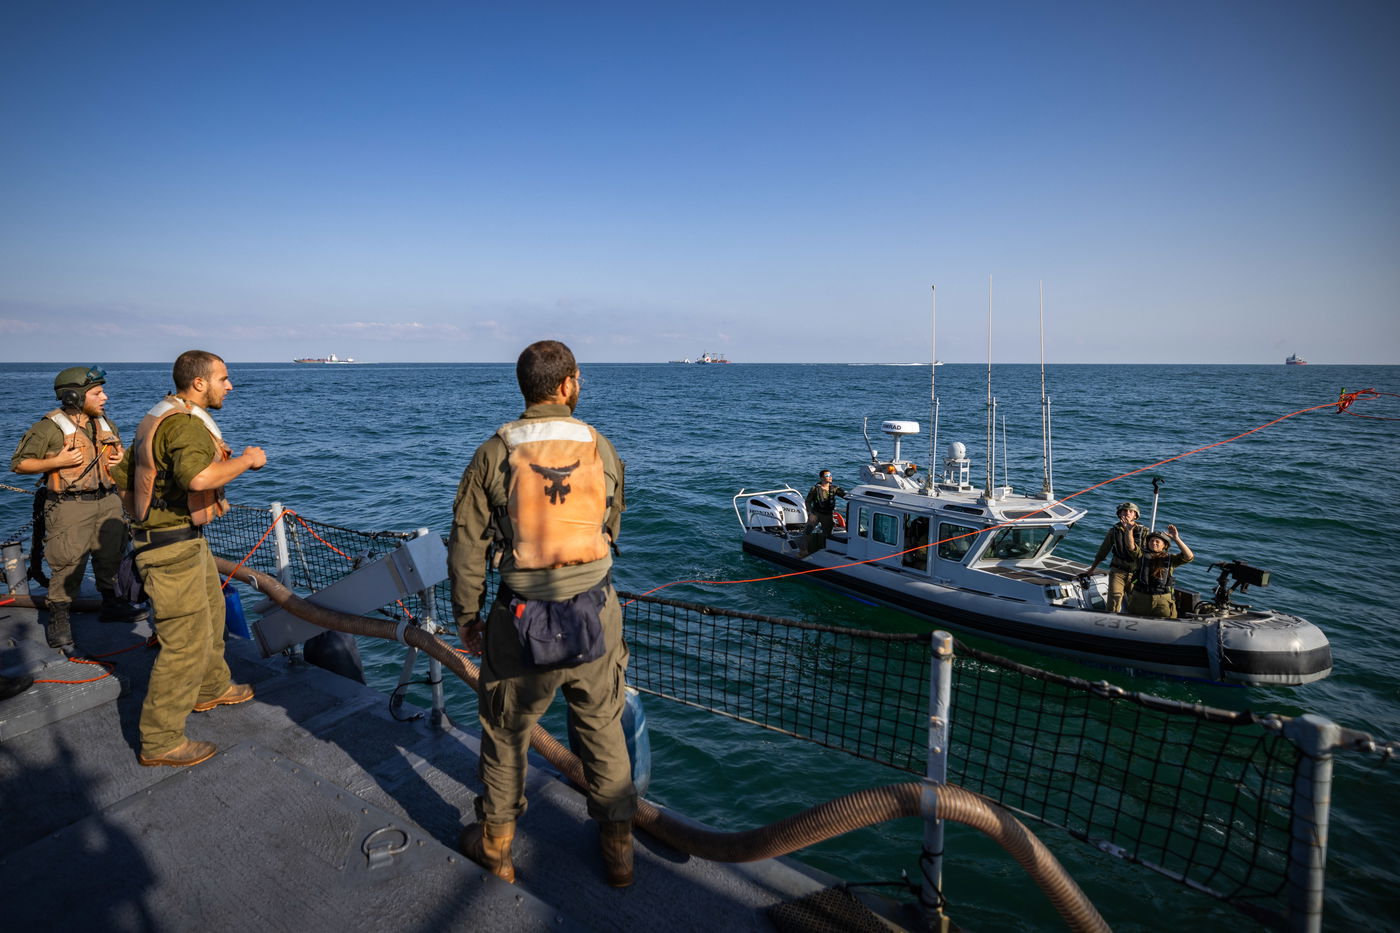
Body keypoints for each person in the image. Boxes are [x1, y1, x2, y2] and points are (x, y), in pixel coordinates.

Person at [449, 340, 636, 888]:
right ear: (566, 384)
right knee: (602, 726)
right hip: (595, 611)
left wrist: (468, 617)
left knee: (506, 732)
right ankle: (619, 854)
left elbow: (466, 544)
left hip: (519, 618)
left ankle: (496, 848)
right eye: (578, 378)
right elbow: (611, 522)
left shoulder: (494, 451)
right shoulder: (599, 445)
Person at [109, 351, 266, 767]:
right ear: (199, 383)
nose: (229, 386)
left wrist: (145, 516)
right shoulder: (185, 425)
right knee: (183, 644)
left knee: (212, 617)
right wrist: (247, 460)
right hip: (169, 550)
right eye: (223, 379)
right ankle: (160, 741)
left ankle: (210, 688)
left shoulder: (161, 415)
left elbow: (121, 476)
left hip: (182, 540)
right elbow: (197, 478)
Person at [10, 366, 147, 653]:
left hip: (108, 500)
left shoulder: (105, 423)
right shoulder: (49, 428)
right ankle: (59, 620)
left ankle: (112, 604)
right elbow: (19, 464)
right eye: (97, 393)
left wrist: (122, 459)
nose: (105, 397)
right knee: (67, 563)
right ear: (74, 396)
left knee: (111, 556)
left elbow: (119, 455)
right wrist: (56, 462)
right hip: (70, 505)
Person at [1084, 501, 1148, 613]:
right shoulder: (1114, 531)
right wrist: (1092, 569)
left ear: (1135, 515)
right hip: (1118, 571)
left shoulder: (1144, 532)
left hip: (1136, 573)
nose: (1127, 513)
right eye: (1124, 511)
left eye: (1131, 511)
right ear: (1119, 514)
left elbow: (1149, 554)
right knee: (1114, 600)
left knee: (1136, 601)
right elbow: (1103, 551)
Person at [1125, 525, 1194, 619]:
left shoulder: (1171, 559)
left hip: (1163, 600)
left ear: (1164, 545)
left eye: (1157, 541)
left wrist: (1176, 539)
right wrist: (1129, 530)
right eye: (1151, 541)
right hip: (1140, 598)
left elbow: (1189, 557)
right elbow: (1130, 546)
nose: (1154, 543)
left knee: (1167, 623)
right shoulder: (1140, 555)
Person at [801, 469, 847, 555]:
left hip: (828, 515)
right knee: (807, 531)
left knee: (827, 535)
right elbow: (807, 502)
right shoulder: (815, 489)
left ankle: (824, 552)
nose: (830, 477)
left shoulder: (835, 488)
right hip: (816, 514)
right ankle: (803, 551)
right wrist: (810, 513)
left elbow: (846, 496)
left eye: (830, 475)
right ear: (822, 478)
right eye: (827, 476)